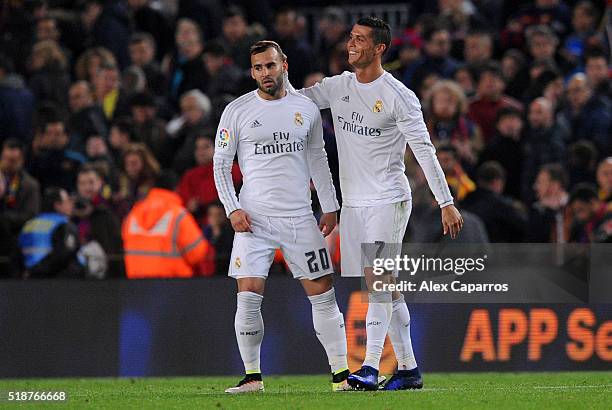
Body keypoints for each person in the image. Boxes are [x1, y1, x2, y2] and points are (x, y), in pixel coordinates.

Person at [286, 17, 463, 391]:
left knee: (378, 283)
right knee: (386, 285)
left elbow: (425, 151)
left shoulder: (399, 96)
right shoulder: (338, 87)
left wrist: (445, 201)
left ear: (379, 48)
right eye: (351, 38)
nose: (351, 45)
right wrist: (273, 81)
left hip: (389, 199)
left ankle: (368, 366)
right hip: (355, 204)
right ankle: (409, 370)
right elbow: (295, 101)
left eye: (360, 40)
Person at [214, 41, 349, 393]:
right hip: (253, 219)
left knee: (323, 294)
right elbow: (221, 164)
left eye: (270, 66)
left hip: (300, 218)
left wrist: (331, 205)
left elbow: (318, 157)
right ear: (252, 71)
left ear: (284, 65)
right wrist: (233, 208)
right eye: (258, 68)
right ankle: (252, 377)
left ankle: (341, 377)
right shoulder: (237, 110)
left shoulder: (304, 107)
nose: (264, 74)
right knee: (248, 294)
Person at [122, 170, 208, 278]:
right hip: (173, 284)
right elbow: (198, 253)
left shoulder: (134, 213)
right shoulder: (178, 215)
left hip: (136, 283)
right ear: (176, 188)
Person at [18, 187, 85, 278]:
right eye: (67, 201)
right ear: (57, 205)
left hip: (28, 281)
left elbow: (17, 255)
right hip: (59, 282)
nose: (71, 204)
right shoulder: (64, 225)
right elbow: (62, 256)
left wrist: (27, 273)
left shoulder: (29, 224)